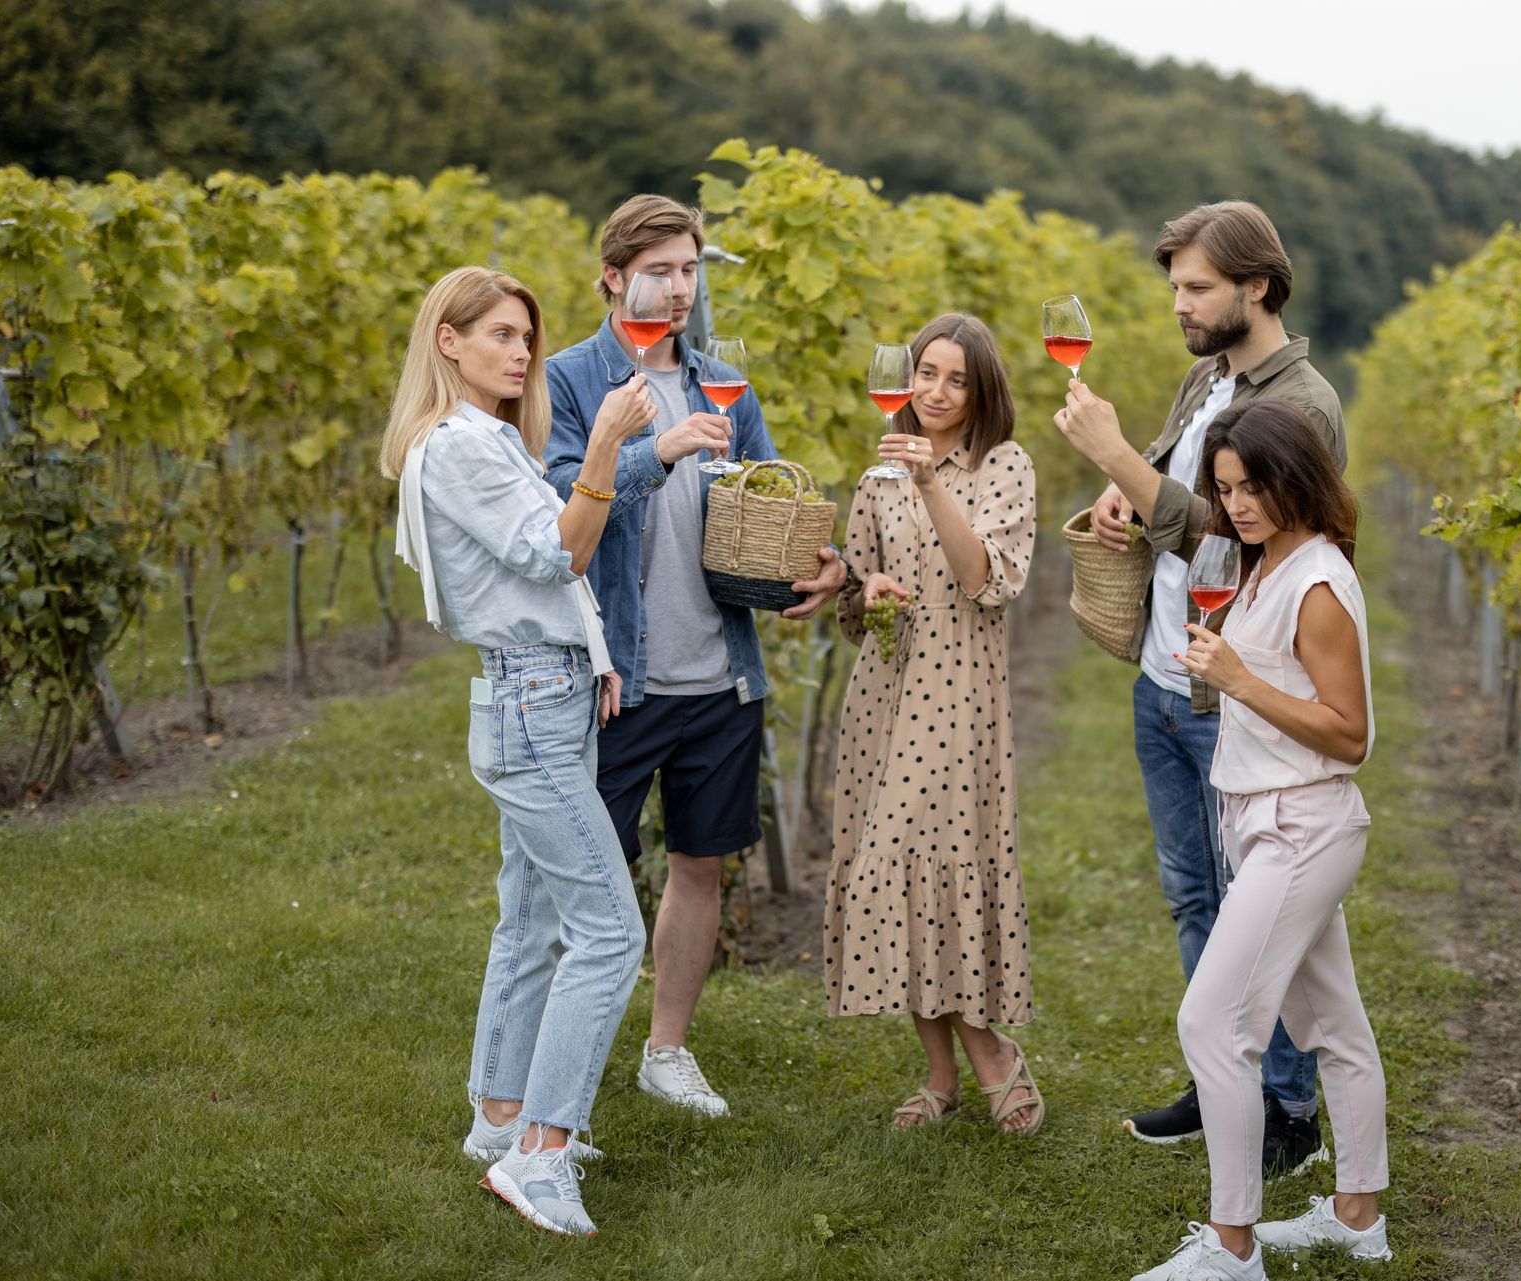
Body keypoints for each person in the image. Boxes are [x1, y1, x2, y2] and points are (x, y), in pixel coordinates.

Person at [1052, 201, 1345, 1175]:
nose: (1179, 304)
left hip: (1238, 693)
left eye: (1197, 288)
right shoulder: (1205, 376)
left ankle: (1288, 1110)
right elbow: (1184, 500)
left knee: (1258, 910)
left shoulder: (1300, 404)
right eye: (1174, 285)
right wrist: (1123, 494)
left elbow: (1235, 542)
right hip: (1164, 677)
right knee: (1195, 898)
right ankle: (1222, 1074)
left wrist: (1116, 457)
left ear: (1257, 286)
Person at [543, 195, 846, 1119]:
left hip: (721, 677)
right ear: (612, 279)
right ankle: (554, 1060)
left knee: (699, 866)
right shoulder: (568, 380)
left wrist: (821, 564)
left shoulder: (725, 385)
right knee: (582, 875)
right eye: (659, 271)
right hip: (617, 680)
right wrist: (657, 451)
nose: (679, 289)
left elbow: (769, 500)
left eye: (690, 269)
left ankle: (665, 1050)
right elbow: (558, 506)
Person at [381, 266, 655, 1236]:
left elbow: (539, 575)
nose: (521, 351)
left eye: (526, 337)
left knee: (532, 916)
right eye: (499, 334)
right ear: (447, 342)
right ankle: (539, 1155)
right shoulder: (460, 446)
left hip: (542, 687)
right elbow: (558, 553)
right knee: (611, 933)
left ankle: (498, 1115)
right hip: (532, 706)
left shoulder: (480, 439)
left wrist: (594, 652)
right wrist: (611, 444)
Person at [1133, 400, 1390, 1279]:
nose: (1236, 504)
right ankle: (1357, 1216)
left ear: (1296, 479)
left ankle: (1232, 1245)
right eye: (1226, 487)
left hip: (1301, 824)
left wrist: (1236, 678)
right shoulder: (1262, 561)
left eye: (1253, 486)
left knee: (1212, 1023)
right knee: (1334, 1025)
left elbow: (1350, 734)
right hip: (1264, 817)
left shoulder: (1316, 581)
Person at [823, 314, 1044, 1134]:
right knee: (892, 878)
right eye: (925, 373)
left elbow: (987, 579)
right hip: (884, 694)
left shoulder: (1005, 467)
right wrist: (865, 586)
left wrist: (928, 484)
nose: (937, 392)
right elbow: (852, 595)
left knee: (934, 867)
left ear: (982, 389)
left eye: (957, 378)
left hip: (959, 702)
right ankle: (944, 1075)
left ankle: (992, 1055)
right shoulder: (877, 474)